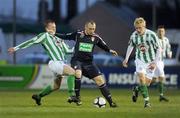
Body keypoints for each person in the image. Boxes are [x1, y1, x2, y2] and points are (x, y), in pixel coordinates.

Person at [8, 20, 77, 106]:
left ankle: (38, 96)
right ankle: (72, 95)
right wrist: (16, 48)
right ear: (46, 29)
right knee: (72, 73)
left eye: (54, 27)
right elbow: (31, 41)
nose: (54, 29)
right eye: (51, 27)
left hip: (61, 63)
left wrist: (78, 47)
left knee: (56, 86)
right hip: (55, 63)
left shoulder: (59, 38)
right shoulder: (45, 36)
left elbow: (68, 51)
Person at [56, 20, 118, 107]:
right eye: (90, 29)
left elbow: (103, 45)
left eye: (93, 29)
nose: (92, 31)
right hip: (77, 60)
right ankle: (77, 98)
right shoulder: (78, 34)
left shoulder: (96, 37)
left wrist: (110, 50)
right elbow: (66, 36)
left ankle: (111, 103)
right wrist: (54, 34)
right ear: (85, 28)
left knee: (100, 80)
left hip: (89, 63)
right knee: (78, 73)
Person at [122, 17, 161, 108]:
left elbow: (159, 48)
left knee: (146, 84)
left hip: (151, 61)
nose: (138, 30)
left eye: (140, 28)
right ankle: (147, 102)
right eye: (136, 28)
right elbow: (130, 46)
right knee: (142, 79)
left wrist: (155, 62)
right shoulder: (134, 35)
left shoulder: (151, 35)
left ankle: (136, 88)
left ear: (144, 26)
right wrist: (126, 59)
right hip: (140, 60)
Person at [153, 25, 172, 102]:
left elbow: (168, 49)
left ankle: (138, 88)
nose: (161, 33)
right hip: (155, 61)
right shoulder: (154, 40)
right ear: (157, 32)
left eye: (162, 31)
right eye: (159, 31)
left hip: (161, 61)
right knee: (162, 77)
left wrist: (169, 53)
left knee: (154, 79)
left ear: (164, 32)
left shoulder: (166, 40)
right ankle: (161, 96)